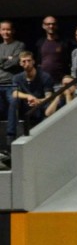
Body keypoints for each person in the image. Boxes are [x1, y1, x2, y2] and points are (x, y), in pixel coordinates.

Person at [8, 52, 53, 137]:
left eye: (29, 60)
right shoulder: (17, 77)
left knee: (49, 104)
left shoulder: (45, 76)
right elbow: (14, 93)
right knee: (14, 100)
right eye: (24, 61)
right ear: (20, 63)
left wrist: (37, 100)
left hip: (40, 104)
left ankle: (47, 132)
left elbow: (49, 97)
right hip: (25, 105)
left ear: (33, 61)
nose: (27, 63)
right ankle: (11, 135)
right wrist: (28, 96)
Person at [0, 20, 26, 153]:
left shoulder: (19, 45)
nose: (6, 32)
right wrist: (8, 59)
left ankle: (10, 138)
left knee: (14, 103)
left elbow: (16, 62)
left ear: (13, 31)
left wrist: (3, 61)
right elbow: (10, 61)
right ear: (0, 31)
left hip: (12, 84)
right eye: (3, 29)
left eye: (8, 29)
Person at [36, 16, 67, 83]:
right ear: (43, 26)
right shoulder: (40, 42)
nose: (51, 26)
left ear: (57, 26)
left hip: (60, 81)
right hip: (43, 81)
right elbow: (38, 62)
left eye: (53, 24)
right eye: (48, 24)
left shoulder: (63, 43)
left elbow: (67, 61)